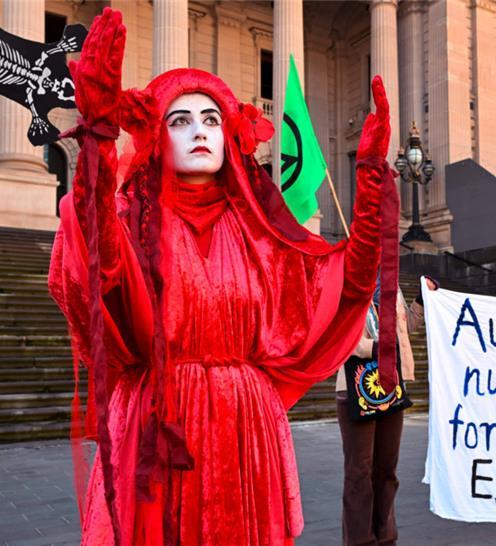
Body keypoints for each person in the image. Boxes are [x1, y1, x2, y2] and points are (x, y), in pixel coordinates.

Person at [47, 9, 397, 545]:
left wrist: (370, 182)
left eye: (211, 119)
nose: (199, 131)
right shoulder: (131, 219)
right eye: (179, 120)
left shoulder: (261, 233)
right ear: (155, 136)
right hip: (158, 425)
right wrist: (96, 139)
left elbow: (345, 286)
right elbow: (96, 263)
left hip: (245, 432)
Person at [336, 277, 437, 545]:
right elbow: (340, 332)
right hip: (356, 385)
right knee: (359, 473)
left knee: (387, 471)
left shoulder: (392, 284)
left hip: (392, 385)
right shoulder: (347, 279)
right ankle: (360, 541)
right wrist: (375, 348)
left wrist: (420, 302)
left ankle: (386, 538)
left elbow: (403, 329)